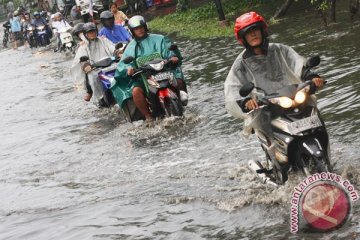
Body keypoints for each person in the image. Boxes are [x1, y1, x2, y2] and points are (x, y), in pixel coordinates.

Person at [224, 12, 324, 130]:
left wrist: (311, 77)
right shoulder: (240, 64)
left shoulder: (280, 50)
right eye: (248, 32)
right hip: (266, 109)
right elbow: (232, 88)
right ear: (243, 38)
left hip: (294, 97)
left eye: (255, 29)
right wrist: (246, 101)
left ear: (262, 31)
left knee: (316, 122)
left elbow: (298, 64)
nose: (253, 34)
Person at [115, 15, 187, 121]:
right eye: (136, 29)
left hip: (165, 71)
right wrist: (129, 69)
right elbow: (123, 64)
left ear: (145, 27)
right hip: (143, 76)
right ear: (132, 31)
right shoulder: (130, 47)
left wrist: (173, 57)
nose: (139, 30)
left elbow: (168, 50)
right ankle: (148, 117)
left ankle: (182, 102)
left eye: (141, 27)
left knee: (179, 80)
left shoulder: (159, 39)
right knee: (136, 91)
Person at [70, 22, 116, 105]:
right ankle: (98, 97)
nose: (92, 33)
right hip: (94, 69)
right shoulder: (83, 45)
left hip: (110, 65)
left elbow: (112, 48)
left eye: (93, 31)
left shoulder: (103, 39)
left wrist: (117, 52)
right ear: (86, 34)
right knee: (92, 77)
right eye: (90, 32)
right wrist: (86, 65)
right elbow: (82, 57)